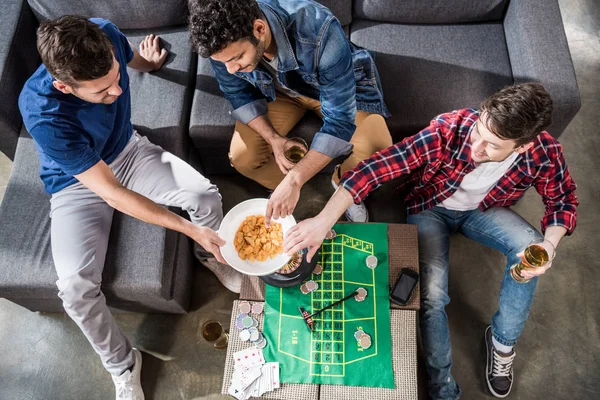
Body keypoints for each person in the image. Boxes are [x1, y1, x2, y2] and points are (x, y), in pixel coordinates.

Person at [283, 83, 578, 399]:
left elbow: (563, 200)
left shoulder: (545, 152)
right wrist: (323, 220)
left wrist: (548, 246)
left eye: (492, 145)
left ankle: (503, 344)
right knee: (433, 296)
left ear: (521, 147)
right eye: (478, 131)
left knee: (530, 249)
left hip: (484, 211)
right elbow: (375, 168)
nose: (475, 147)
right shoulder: (451, 128)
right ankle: (442, 385)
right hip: (431, 208)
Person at [18, 15, 242, 400]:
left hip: (127, 151)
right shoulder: (43, 113)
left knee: (204, 196)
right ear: (63, 86)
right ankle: (123, 365)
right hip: (78, 185)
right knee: (74, 288)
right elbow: (112, 193)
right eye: (102, 92)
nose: (118, 93)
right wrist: (188, 227)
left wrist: (144, 62)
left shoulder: (103, 32)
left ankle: (210, 256)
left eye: (116, 77)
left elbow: (128, 59)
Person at [188, 0, 393, 224]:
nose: (231, 70)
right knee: (243, 157)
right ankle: (294, 190)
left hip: (332, 88)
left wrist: (295, 178)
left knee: (378, 147)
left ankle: (342, 184)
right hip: (280, 92)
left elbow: (340, 119)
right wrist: (273, 139)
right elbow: (238, 93)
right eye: (224, 63)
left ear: (259, 29)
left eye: (237, 58)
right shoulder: (223, 43)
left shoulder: (320, 30)